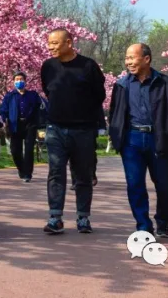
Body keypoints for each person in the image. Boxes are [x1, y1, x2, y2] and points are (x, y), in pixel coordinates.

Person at [107, 43, 168, 238]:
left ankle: (163, 221)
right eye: (127, 58)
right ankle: (143, 225)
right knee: (134, 183)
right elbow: (115, 113)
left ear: (146, 59)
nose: (128, 62)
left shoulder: (166, 83)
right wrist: (116, 136)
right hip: (131, 140)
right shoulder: (121, 85)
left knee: (163, 183)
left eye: (132, 57)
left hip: (159, 138)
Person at [40, 28, 106, 235]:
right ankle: (55, 218)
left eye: (55, 43)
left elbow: (99, 95)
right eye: (49, 43)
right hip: (55, 128)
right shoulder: (48, 66)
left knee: (83, 175)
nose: (51, 47)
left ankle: (83, 217)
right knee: (56, 172)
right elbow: (48, 91)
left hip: (83, 130)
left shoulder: (88, 66)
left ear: (69, 42)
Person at [0, 70, 43, 182]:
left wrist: (39, 122)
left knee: (28, 150)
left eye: (21, 79)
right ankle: (21, 169)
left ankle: (28, 174)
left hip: (30, 125)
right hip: (15, 125)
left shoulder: (33, 95)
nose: (19, 81)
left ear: (25, 81)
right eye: (17, 80)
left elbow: (40, 108)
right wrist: (4, 120)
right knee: (15, 150)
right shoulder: (9, 96)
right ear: (13, 82)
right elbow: (3, 110)